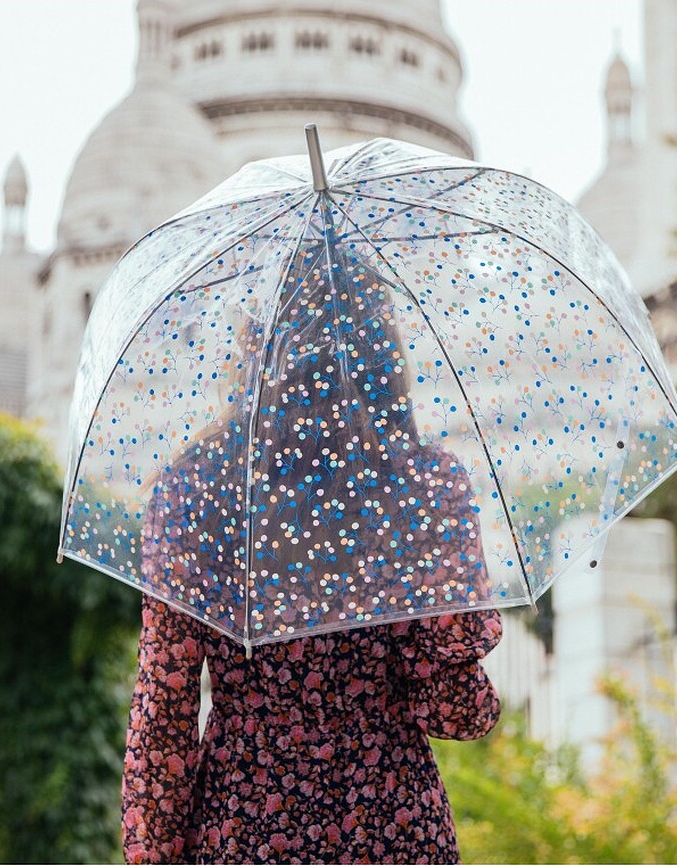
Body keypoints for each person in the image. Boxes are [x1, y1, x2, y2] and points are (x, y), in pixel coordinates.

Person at [122, 242, 502, 864]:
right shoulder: (422, 487)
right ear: (383, 353)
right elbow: (456, 712)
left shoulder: (193, 491)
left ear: (257, 349)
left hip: (242, 831)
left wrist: (151, 855)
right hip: (393, 830)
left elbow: (163, 711)